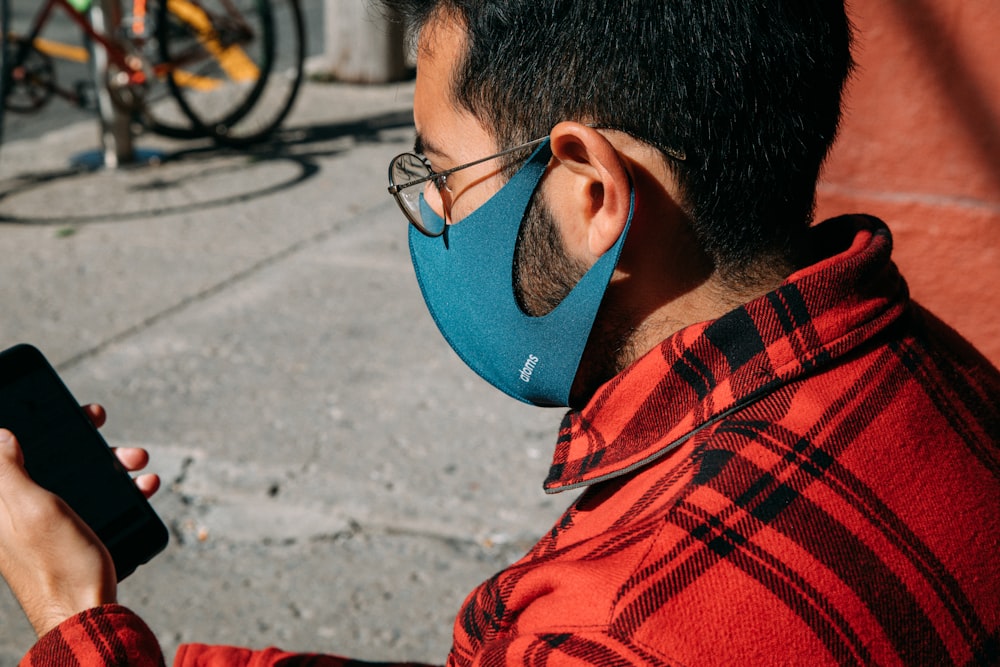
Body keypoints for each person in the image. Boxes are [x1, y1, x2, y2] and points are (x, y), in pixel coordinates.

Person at [2, 0, 999, 665]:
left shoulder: (624, 623)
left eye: (441, 168)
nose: (432, 209)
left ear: (590, 189)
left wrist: (71, 614)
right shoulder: (933, 372)